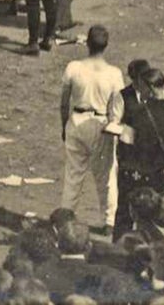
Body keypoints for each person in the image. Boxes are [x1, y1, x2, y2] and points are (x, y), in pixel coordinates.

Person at [59, 25, 124, 236]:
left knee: (73, 174)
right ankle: (109, 222)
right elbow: (116, 108)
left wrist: (64, 126)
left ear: (87, 43)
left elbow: (64, 102)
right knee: (106, 176)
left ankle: (65, 218)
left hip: (76, 121)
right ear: (106, 46)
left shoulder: (74, 68)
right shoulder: (114, 74)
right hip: (101, 124)